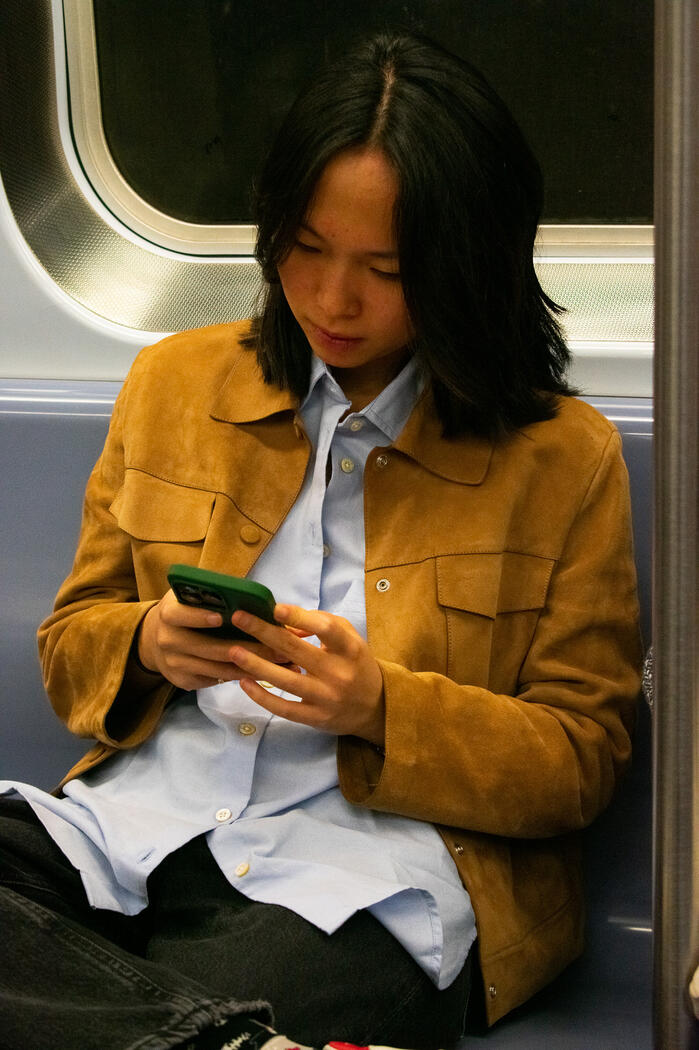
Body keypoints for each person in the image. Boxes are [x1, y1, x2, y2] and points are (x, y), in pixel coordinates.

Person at [0, 30, 642, 1050]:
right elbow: (72, 645)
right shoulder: (174, 385)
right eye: (305, 248)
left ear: (461, 263)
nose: (332, 300)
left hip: (368, 881)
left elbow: (583, 757)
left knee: (227, 982)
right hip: (132, 832)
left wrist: (383, 706)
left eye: (384, 268)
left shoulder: (562, 459)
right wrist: (150, 644)